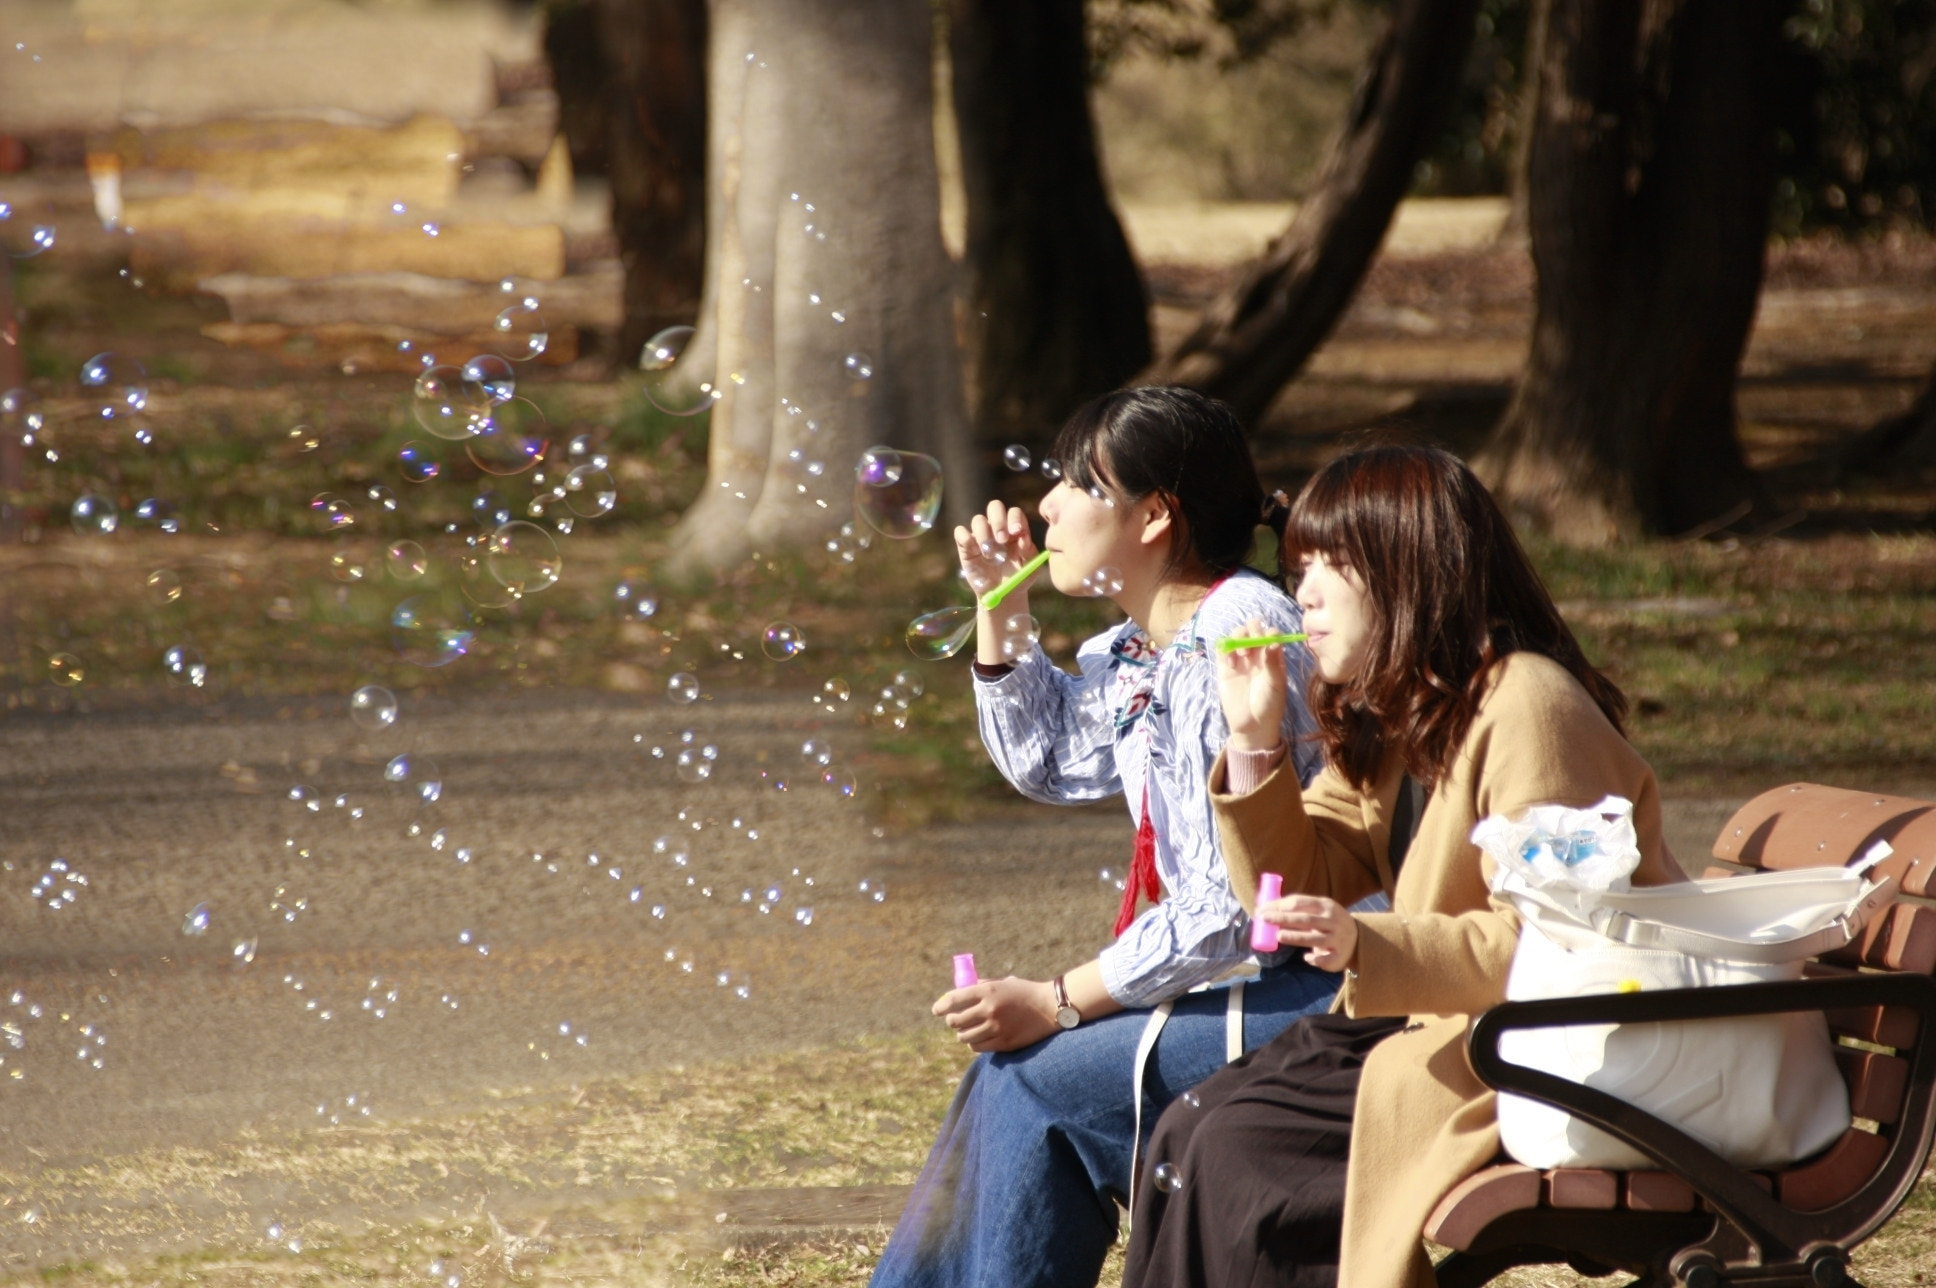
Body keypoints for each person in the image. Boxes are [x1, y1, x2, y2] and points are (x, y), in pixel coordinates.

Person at [1121, 444, 1687, 1288]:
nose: (1299, 593)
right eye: (1295, 566)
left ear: (1406, 571)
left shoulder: (1529, 707)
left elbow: (1566, 948)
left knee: (1243, 1156)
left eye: (1324, 567)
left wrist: (1370, 945)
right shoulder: (1415, 710)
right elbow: (1291, 887)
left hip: (1534, 1056)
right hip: (1443, 1037)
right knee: (1187, 1128)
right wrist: (1252, 743)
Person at [868, 387, 1343, 1288]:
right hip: (1266, 982)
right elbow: (1047, 759)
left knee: (1034, 1077)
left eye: (1075, 484)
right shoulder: (1148, 644)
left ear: (1156, 515)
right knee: (1012, 1077)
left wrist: (1058, 999)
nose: (1044, 506)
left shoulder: (1233, 639)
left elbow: (1225, 910)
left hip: (1319, 991)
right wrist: (996, 606)